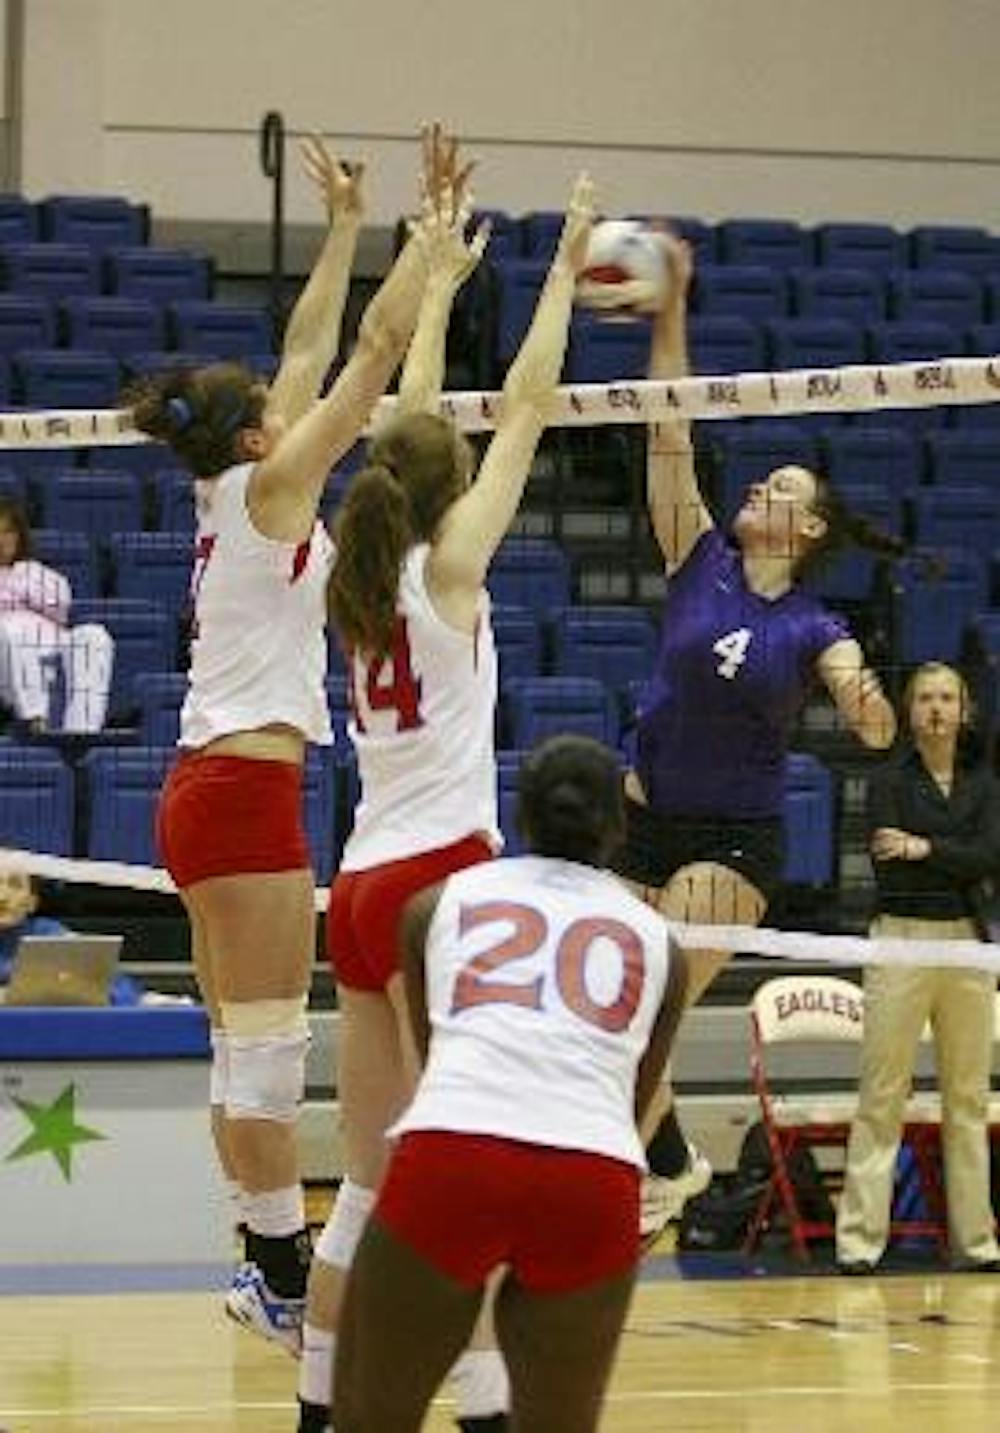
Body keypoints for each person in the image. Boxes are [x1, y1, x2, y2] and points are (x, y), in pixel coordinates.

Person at [123, 126, 461, 1354]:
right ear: (258, 437)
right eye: (275, 408)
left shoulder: (236, 489)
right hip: (244, 791)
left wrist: (338, 229)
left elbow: (311, 344)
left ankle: (255, 1256)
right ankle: (273, 1265)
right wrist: (421, 247)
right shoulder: (273, 493)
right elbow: (362, 356)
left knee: (240, 1048)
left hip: (203, 788)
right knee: (267, 1057)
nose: (289, 401)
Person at [296, 172, 597, 1433]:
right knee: (449, 1184)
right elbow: (527, 400)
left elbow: (408, 427)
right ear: (449, 486)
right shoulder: (453, 567)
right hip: (439, 886)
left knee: (365, 1189)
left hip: (361, 885)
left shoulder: (355, 572)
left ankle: (320, 1408)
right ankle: (479, 1412)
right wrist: (567, 261)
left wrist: (434, 288)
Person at [618, 233, 899, 1237]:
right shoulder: (697, 559)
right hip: (638, 821)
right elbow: (668, 431)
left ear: (810, 529)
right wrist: (669, 313)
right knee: (598, 1005)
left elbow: (859, 702)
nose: (758, 490)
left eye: (780, 489)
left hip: (726, 845)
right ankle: (671, 1159)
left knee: (640, 1007)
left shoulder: (813, 624)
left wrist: (867, 706)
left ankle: (662, 1167)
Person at [331, 734, 688, 1433]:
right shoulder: (658, 942)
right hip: (592, 1171)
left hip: (458, 1151)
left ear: (520, 818)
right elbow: (635, 1098)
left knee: (371, 1416)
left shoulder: (434, 904)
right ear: (618, 827)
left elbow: (437, 1057)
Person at [836, 662, 1000, 1274]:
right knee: (882, 1095)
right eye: (926, 698)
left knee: (968, 1097)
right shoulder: (886, 781)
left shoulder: (987, 784)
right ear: (909, 712)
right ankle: (858, 1243)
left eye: (947, 698)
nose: (936, 709)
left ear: (965, 710)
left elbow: (991, 856)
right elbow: (889, 865)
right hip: (900, 939)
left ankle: (976, 1243)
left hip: (968, 944)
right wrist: (952, 859)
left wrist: (925, 846)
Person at [0, 497, 114, 734]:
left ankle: (81, 731)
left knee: (94, 636)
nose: (2, 540)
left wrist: (20, 587)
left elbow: (60, 605)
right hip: (7, 653)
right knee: (8, 630)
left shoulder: (36, 571)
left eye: (8, 532)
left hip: (49, 644)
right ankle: (35, 719)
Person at [0, 863, 143, 1005]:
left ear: (32, 903)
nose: (2, 897)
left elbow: (123, 990)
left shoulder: (50, 936)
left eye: (15, 885)